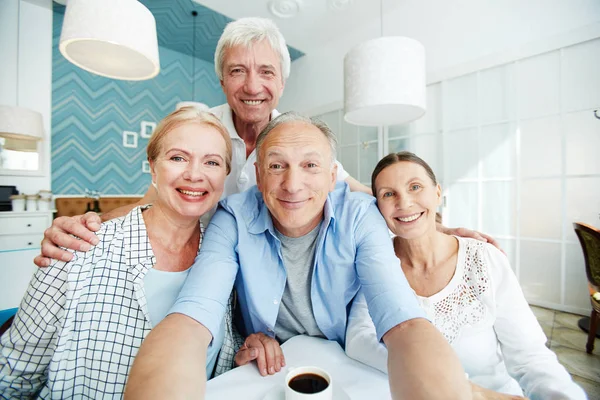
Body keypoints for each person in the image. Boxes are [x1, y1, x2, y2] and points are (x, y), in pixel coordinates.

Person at [123, 112, 473, 400]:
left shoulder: (361, 215)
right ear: (258, 175)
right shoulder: (233, 217)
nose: (293, 185)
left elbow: (404, 321)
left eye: (310, 166)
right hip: (268, 371)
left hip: (347, 365)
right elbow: (191, 318)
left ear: (333, 176)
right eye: (277, 166)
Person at [33, 17, 374, 268]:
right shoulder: (201, 130)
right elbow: (151, 203)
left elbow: (355, 189)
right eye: (238, 70)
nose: (253, 87)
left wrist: (421, 209)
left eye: (266, 72)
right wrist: (84, 227)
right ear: (222, 80)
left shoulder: (297, 138)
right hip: (204, 263)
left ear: (282, 82)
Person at [0, 109, 239, 398]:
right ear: (152, 167)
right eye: (178, 158)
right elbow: (13, 377)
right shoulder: (77, 249)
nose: (194, 174)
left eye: (211, 162)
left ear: (224, 175)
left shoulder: (224, 258)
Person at [344, 151, 587, 400]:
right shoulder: (377, 263)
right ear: (377, 206)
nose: (404, 203)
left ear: (437, 193)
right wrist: (446, 385)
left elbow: (531, 357)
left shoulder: (485, 259)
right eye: (388, 193)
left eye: (415, 187)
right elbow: (358, 340)